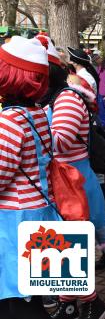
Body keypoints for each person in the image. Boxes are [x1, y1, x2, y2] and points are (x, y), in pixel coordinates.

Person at [41, 41, 105, 318]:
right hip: (59, 179)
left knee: (69, 244)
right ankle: (70, 302)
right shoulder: (52, 99)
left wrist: (25, 129)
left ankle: (91, 303)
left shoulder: (68, 98)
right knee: (60, 244)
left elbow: (59, 142)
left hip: (72, 180)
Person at [0, 36, 62, 319]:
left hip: (16, 218)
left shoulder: (9, 120)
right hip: (41, 208)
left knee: (18, 298)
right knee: (33, 291)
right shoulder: (36, 113)